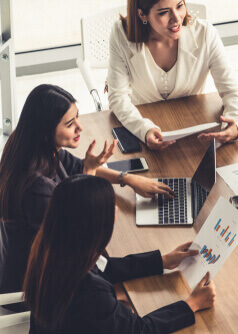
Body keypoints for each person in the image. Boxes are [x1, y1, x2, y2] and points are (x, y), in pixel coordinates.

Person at [0, 84, 174, 309]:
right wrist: (90, 177)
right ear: (45, 130)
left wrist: (127, 179)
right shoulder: (37, 188)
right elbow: (80, 240)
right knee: (137, 300)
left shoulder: (34, 147)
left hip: (39, 265)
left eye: (77, 118)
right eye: (70, 124)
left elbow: (81, 166)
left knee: (136, 290)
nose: (79, 127)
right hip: (34, 290)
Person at [23, 175, 215, 333]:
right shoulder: (90, 291)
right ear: (95, 227)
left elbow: (106, 267)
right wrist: (192, 304)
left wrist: (161, 261)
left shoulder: (52, 252)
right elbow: (138, 330)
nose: (115, 210)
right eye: (110, 207)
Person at [108, 0, 238, 150]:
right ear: (142, 15)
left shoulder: (205, 33)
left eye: (179, 6)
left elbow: (232, 90)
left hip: (193, 131)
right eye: (164, 12)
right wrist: (144, 129)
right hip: (143, 129)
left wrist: (235, 124)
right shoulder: (121, 33)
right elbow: (118, 97)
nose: (177, 18)